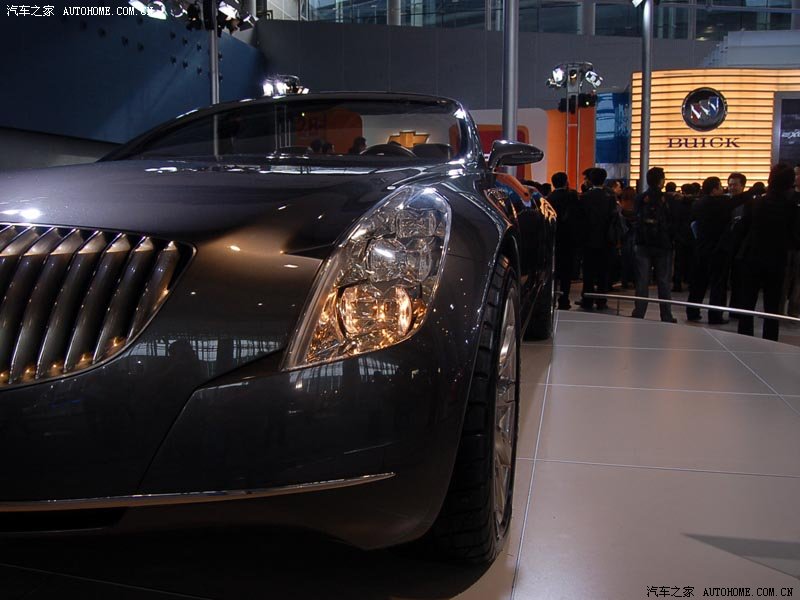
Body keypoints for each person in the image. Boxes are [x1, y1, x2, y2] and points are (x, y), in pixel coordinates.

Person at [736, 163, 799, 340]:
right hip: (776, 259)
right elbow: (795, 237)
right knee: (772, 305)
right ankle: (770, 340)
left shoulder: (756, 202)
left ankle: (743, 338)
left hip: (751, 256)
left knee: (747, 302)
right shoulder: (791, 207)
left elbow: (742, 229)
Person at [686, 177, 739, 323]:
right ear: (714, 189)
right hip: (718, 249)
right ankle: (715, 315)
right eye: (721, 186)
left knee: (698, 283)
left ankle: (692, 312)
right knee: (718, 285)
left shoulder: (698, 204)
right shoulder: (723, 203)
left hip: (701, 248)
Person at [632, 166, 676, 322]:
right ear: (661, 181)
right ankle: (666, 315)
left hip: (642, 243)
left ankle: (639, 313)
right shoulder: (668, 199)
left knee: (642, 281)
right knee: (663, 281)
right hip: (663, 245)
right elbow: (673, 220)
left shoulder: (640, 198)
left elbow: (635, 217)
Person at [578, 168, 617, 310]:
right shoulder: (610, 197)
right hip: (606, 239)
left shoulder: (585, 197)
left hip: (589, 239)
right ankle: (601, 300)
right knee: (603, 271)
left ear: (591, 179)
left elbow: (581, 219)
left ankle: (587, 299)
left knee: (588, 271)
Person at [548, 172, 580, 310]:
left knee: (553, 270)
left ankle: (551, 298)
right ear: (566, 181)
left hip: (554, 238)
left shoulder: (549, 198)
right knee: (566, 272)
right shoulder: (572, 197)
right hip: (569, 239)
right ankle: (564, 299)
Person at [668, 183, 692, 292]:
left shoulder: (677, 204)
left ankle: (677, 283)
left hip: (679, 235)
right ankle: (690, 281)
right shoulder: (694, 204)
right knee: (691, 260)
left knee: (679, 261)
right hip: (691, 235)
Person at [783, 164, 800, 316]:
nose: (796, 177)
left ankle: (794, 311)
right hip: (786, 244)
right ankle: (778, 310)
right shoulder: (787, 195)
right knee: (783, 279)